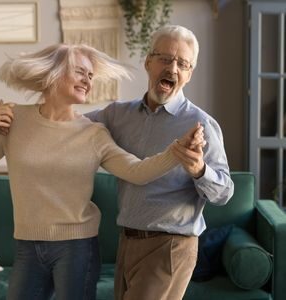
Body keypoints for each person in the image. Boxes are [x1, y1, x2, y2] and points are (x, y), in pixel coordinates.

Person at [0, 43, 205, 300]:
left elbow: (136, 171)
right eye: (80, 72)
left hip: (77, 248)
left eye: (91, 76)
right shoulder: (14, 119)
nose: (87, 81)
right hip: (26, 246)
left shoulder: (93, 132)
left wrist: (176, 152)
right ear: (54, 71)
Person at [85, 25, 234, 300]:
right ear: (148, 62)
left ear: (189, 74)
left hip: (170, 246)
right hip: (127, 241)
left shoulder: (201, 125)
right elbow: (69, 128)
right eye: (165, 59)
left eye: (182, 63)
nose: (173, 68)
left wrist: (199, 170)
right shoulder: (118, 115)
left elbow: (225, 192)